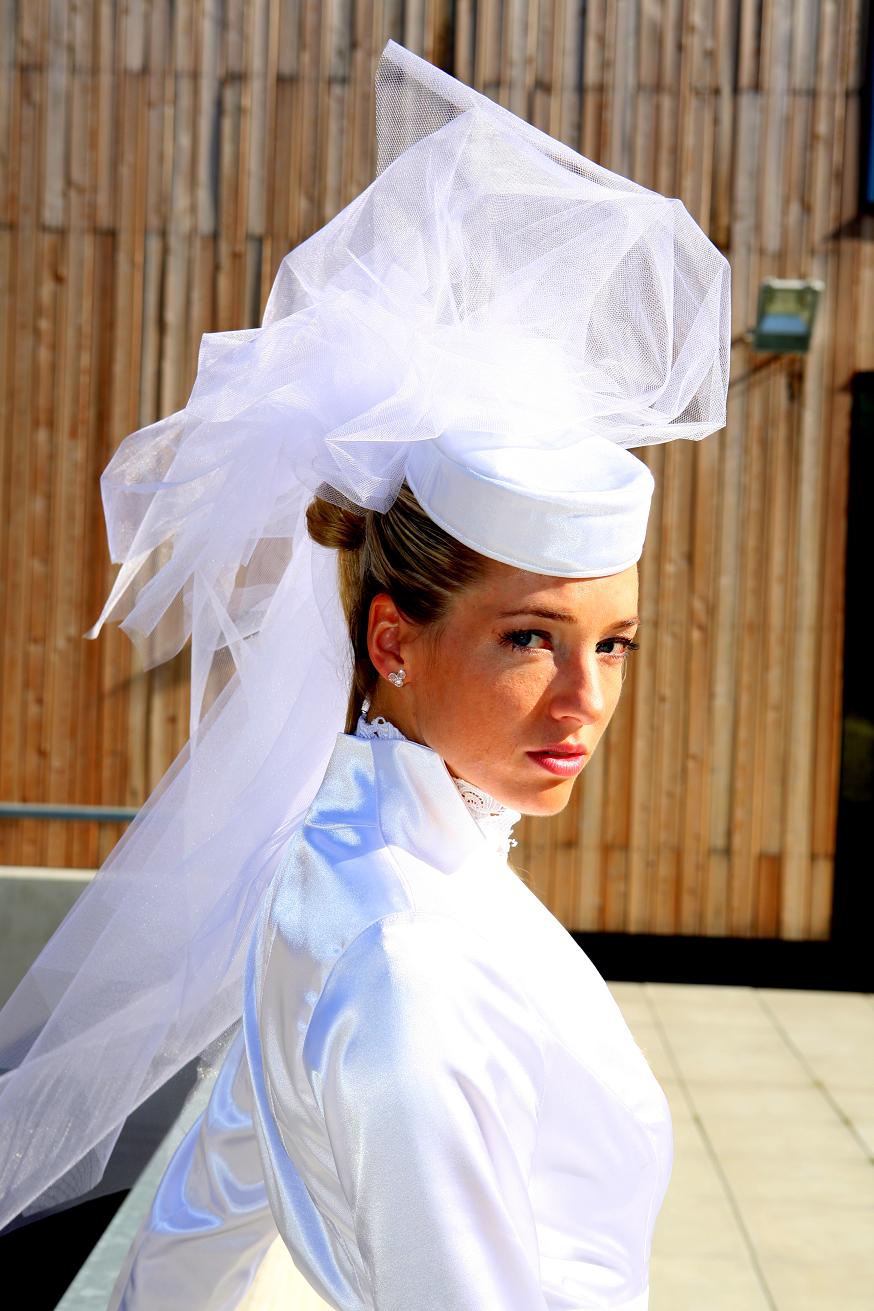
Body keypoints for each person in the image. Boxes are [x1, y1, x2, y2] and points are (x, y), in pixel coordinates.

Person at [0, 40, 730, 1311]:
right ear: (392, 642)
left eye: (612, 643)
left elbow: (211, 1201)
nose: (586, 700)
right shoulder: (407, 959)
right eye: (529, 639)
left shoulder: (333, 866)